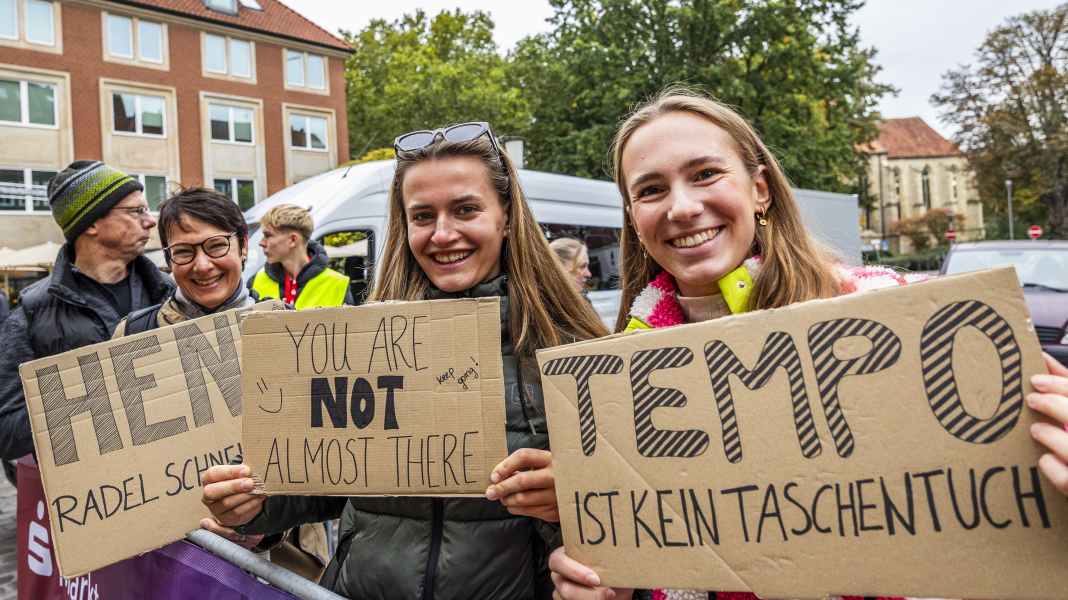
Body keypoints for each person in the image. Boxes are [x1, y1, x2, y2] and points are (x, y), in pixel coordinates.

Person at [545, 87, 1068, 599]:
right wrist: (611, 583)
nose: (682, 207)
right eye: (652, 190)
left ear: (760, 190)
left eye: (705, 174)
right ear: (634, 219)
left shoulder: (892, 314)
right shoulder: (616, 375)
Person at [202, 121, 609, 598]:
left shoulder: (570, 348)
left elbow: (626, 510)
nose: (442, 234)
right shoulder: (363, 340)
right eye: (422, 216)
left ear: (506, 216)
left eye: (465, 210)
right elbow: (328, 478)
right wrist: (254, 505)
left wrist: (577, 495)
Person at [0, 160, 172, 463]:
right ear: (91, 222)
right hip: (96, 494)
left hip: (171, 479)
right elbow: (7, 432)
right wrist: (93, 403)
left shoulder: (169, 294)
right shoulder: (32, 312)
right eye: (137, 211)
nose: (150, 221)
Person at [250, 204, 353, 307]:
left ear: (293, 240)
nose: (261, 243)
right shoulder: (256, 281)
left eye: (268, 235)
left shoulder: (337, 284)